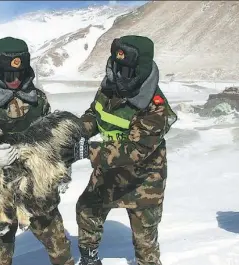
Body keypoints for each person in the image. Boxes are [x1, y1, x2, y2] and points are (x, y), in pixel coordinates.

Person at [62, 35, 178, 265]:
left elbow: (135, 150)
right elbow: (94, 115)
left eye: (127, 70)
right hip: (109, 172)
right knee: (87, 210)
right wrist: (76, 131)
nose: (119, 75)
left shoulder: (156, 107)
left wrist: (87, 151)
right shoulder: (109, 89)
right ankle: (89, 258)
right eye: (117, 67)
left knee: (145, 241)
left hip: (143, 181)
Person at [0, 36, 74, 265]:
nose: (14, 80)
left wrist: (62, 163)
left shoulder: (38, 100)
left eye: (19, 75)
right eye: (7, 75)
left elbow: (49, 137)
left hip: (36, 186)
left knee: (60, 248)